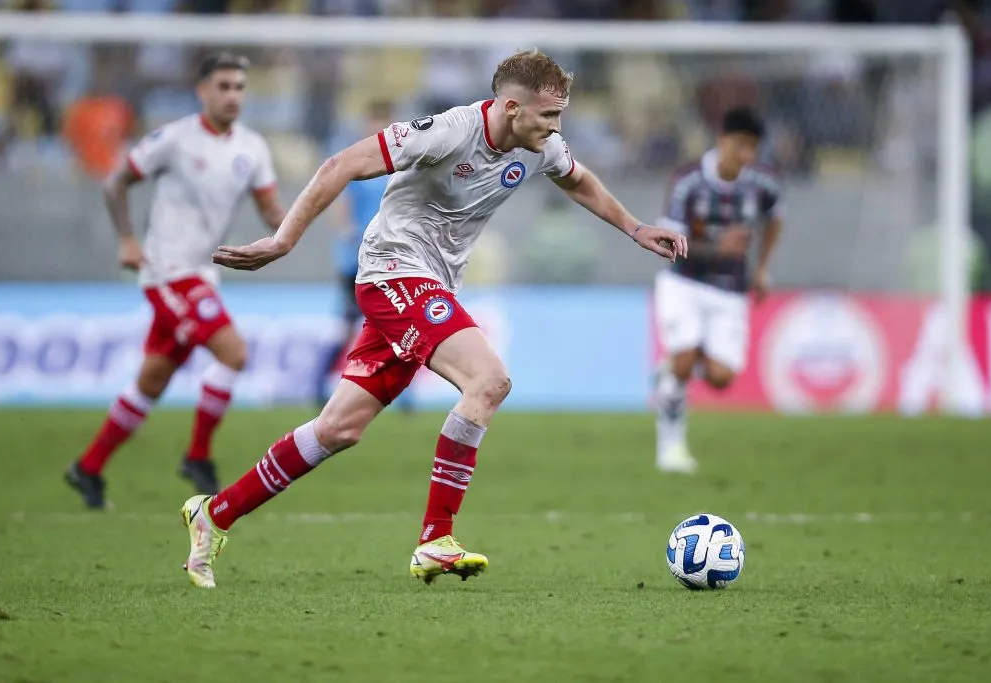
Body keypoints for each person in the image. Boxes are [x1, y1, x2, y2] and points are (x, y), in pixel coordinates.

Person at [179, 49, 687, 589]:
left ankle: (214, 514)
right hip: (393, 273)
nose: (557, 127)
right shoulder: (446, 132)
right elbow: (342, 165)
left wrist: (635, 228)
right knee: (488, 381)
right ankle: (435, 538)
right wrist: (283, 240)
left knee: (339, 428)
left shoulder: (539, 146)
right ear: (512, 107)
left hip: (429, 285)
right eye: (550, 116)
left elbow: (578, 179)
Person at [65, 52, 286, 509]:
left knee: (152, 380)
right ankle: (198, 456)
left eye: (239, 87)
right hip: (167, 272)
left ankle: (87, 467)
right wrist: (127, 240)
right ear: (202, 91)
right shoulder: (176, 140)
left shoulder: (252, 147)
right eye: (223, 86)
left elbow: (271, 210)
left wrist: (295, 227)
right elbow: (116, 182)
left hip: (203, 274)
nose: (232, 96)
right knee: (234, 352)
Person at [652, 106, 784, 474]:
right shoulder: (689, 180)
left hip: (730, 288)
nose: (746, 156)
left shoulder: (763, 182)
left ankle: (676, 368)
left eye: (753, 148)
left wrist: (761, 269)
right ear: (722, 139)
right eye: (740, 145)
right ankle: (671, 446)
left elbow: (776, 218)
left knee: (722, 378)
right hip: (684, 281)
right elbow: (666, 240)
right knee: (683, 358)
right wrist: (717, 247)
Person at [316, 100, 413, 412]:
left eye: (384, 124)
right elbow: (340, 203)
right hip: (356, 260)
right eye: (374, 123)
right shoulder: (357, 160)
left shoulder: (402, 163)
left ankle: (403, 394)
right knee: (347, 327)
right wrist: (347, 231)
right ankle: (317, 383)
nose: (379, 130)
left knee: (400, 326)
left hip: (392, 259)